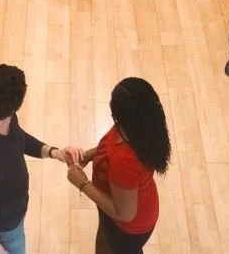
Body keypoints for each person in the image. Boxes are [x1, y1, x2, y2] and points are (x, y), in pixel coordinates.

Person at [0, 64, 83, 254]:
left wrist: (54, 152)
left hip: (14, 213)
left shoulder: (3, 118)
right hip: (5, 228)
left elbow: (20, 138)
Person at [66, 77, 171, 254]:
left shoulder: (124, 161)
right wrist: (90, 155)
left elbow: (125, 214)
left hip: (127, 227)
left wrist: (82, 183)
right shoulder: (140, 128)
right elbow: (111, 145)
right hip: (123, 208)